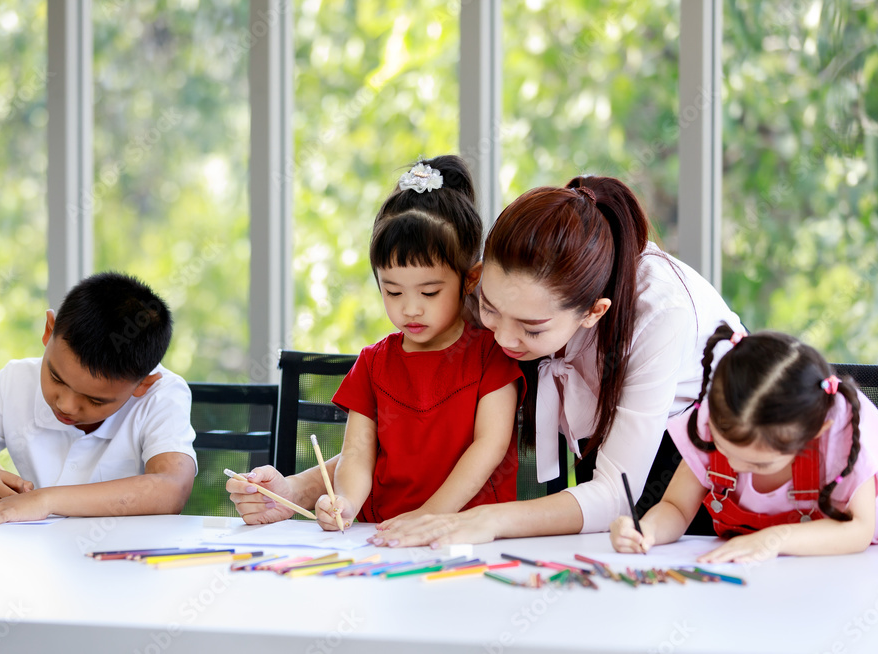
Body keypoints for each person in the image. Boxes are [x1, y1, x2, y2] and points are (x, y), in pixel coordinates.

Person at [228, 175, 742, 547]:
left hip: (708, 476)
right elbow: (415, 423)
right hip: (596, 488)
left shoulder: (661, 315)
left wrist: (483, 521)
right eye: (490, 309)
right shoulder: (512, 285)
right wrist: (297, 488)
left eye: (532, 329)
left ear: (593, 313)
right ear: (478, 277)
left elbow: (615, 494)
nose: (501, 336)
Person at [313, 155, 522, 531]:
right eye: (392, 292)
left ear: (470, 279)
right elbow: (357, 454)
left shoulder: (491, 353)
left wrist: (428, 517)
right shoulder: (373, 363)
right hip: (385, 536)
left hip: (467, 535)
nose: (410, 309)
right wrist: (344, 501)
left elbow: (488, 448)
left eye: (429, 292)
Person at [0, 271, 198, 524]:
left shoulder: (164, 395)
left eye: (95, 400)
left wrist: (45, 500)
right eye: (56, 378)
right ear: (49, 330)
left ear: (142, 384)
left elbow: (171, 489)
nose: (65, 404)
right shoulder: (14, 382)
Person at [611, 324, 878, 561]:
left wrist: (774, 540)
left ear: (814, 434)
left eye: (759, 463)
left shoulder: (839, 437)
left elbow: (858, 530)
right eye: (723, 449)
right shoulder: (717, 422)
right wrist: (647, 530)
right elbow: (676, 508)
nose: (733, 465)